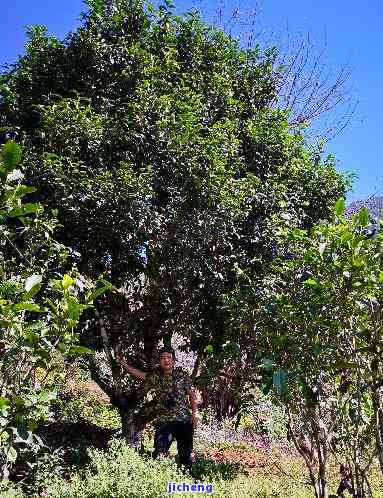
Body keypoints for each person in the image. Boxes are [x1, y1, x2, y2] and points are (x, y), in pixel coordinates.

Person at [116, 346, 198, 469]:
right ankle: (159, 480)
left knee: (185, 455)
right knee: (159, 453)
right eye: (163, 358)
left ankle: (188, 479)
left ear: (174, 360)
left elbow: (192, 393)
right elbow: (140, 374)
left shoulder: (183, 376)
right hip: (164, 421)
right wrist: (123, 364)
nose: (166, 360)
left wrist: (195, 413)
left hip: (183, 420)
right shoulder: (156, 376)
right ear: (159, 361)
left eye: (169, 358)